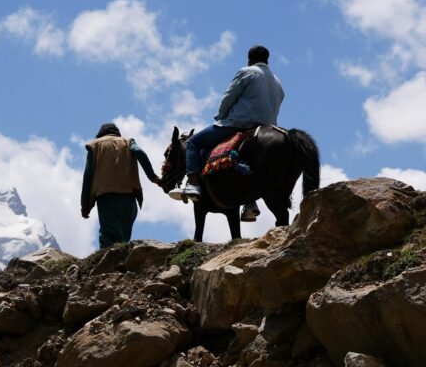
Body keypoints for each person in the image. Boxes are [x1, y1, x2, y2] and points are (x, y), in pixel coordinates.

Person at [170, 45, 284, 220]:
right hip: (267, 125)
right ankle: (250, 202)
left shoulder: (247, 72)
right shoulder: (277, 81)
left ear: (250, 59)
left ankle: (193, 184)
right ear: (267, 60)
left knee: (193, 143)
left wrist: (221, 116)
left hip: (239, 123)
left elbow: (229, 96)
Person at [81, 123, 161, 249]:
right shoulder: (127, 142)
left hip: (106, 197)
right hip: (129, 197)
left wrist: (85, 205)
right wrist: (152, 176)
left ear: (100, 134)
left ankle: (108, 266)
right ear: (117, 133)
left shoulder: (94, 145)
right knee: (123, 238)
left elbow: (88, 175)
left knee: (108, 239)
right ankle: (121, 264)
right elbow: (139, 152)